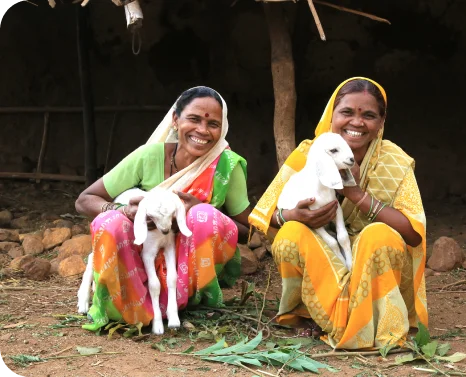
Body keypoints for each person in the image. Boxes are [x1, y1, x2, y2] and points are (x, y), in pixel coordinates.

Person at [249, 77, 427, 349]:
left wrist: (357, 196)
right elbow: (266, 215)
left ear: (381, 122)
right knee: (289, 235)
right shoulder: (309, 153)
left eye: (369, 115)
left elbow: (413, 235)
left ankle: (371, 322)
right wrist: (292, 216)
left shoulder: (395, 162)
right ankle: (314, 314)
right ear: (332, 115)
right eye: (347, 112)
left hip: (368, 256)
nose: (357, 123)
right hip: (321, 250)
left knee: (379, 236)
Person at [75, 86, 251, 331]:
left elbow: (245, 229)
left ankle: (184, 301)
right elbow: (85, 199)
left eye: (213, 124)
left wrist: (198, 210)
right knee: (111, 221)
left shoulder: (226, 166)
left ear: (223, 129)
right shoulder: (148, 157)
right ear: (176, 120)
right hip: (143, 255)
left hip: (189, 266)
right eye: (194, 119)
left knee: (204, 216)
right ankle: (130, 302)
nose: (202, 130)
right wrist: (123, 211)